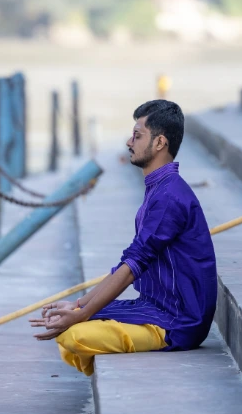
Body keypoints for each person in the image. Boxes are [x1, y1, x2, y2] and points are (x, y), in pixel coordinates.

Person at [30, 100, 218, 376]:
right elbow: (129, 262)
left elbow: (133, 265)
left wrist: (82, 312)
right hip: (155, 307)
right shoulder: (161, 188)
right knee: (69, 331)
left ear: (159, 143)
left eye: (137, 135)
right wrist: (79, 305)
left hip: (177, 322)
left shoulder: (169, 197)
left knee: (73, 336)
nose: (129, 142)